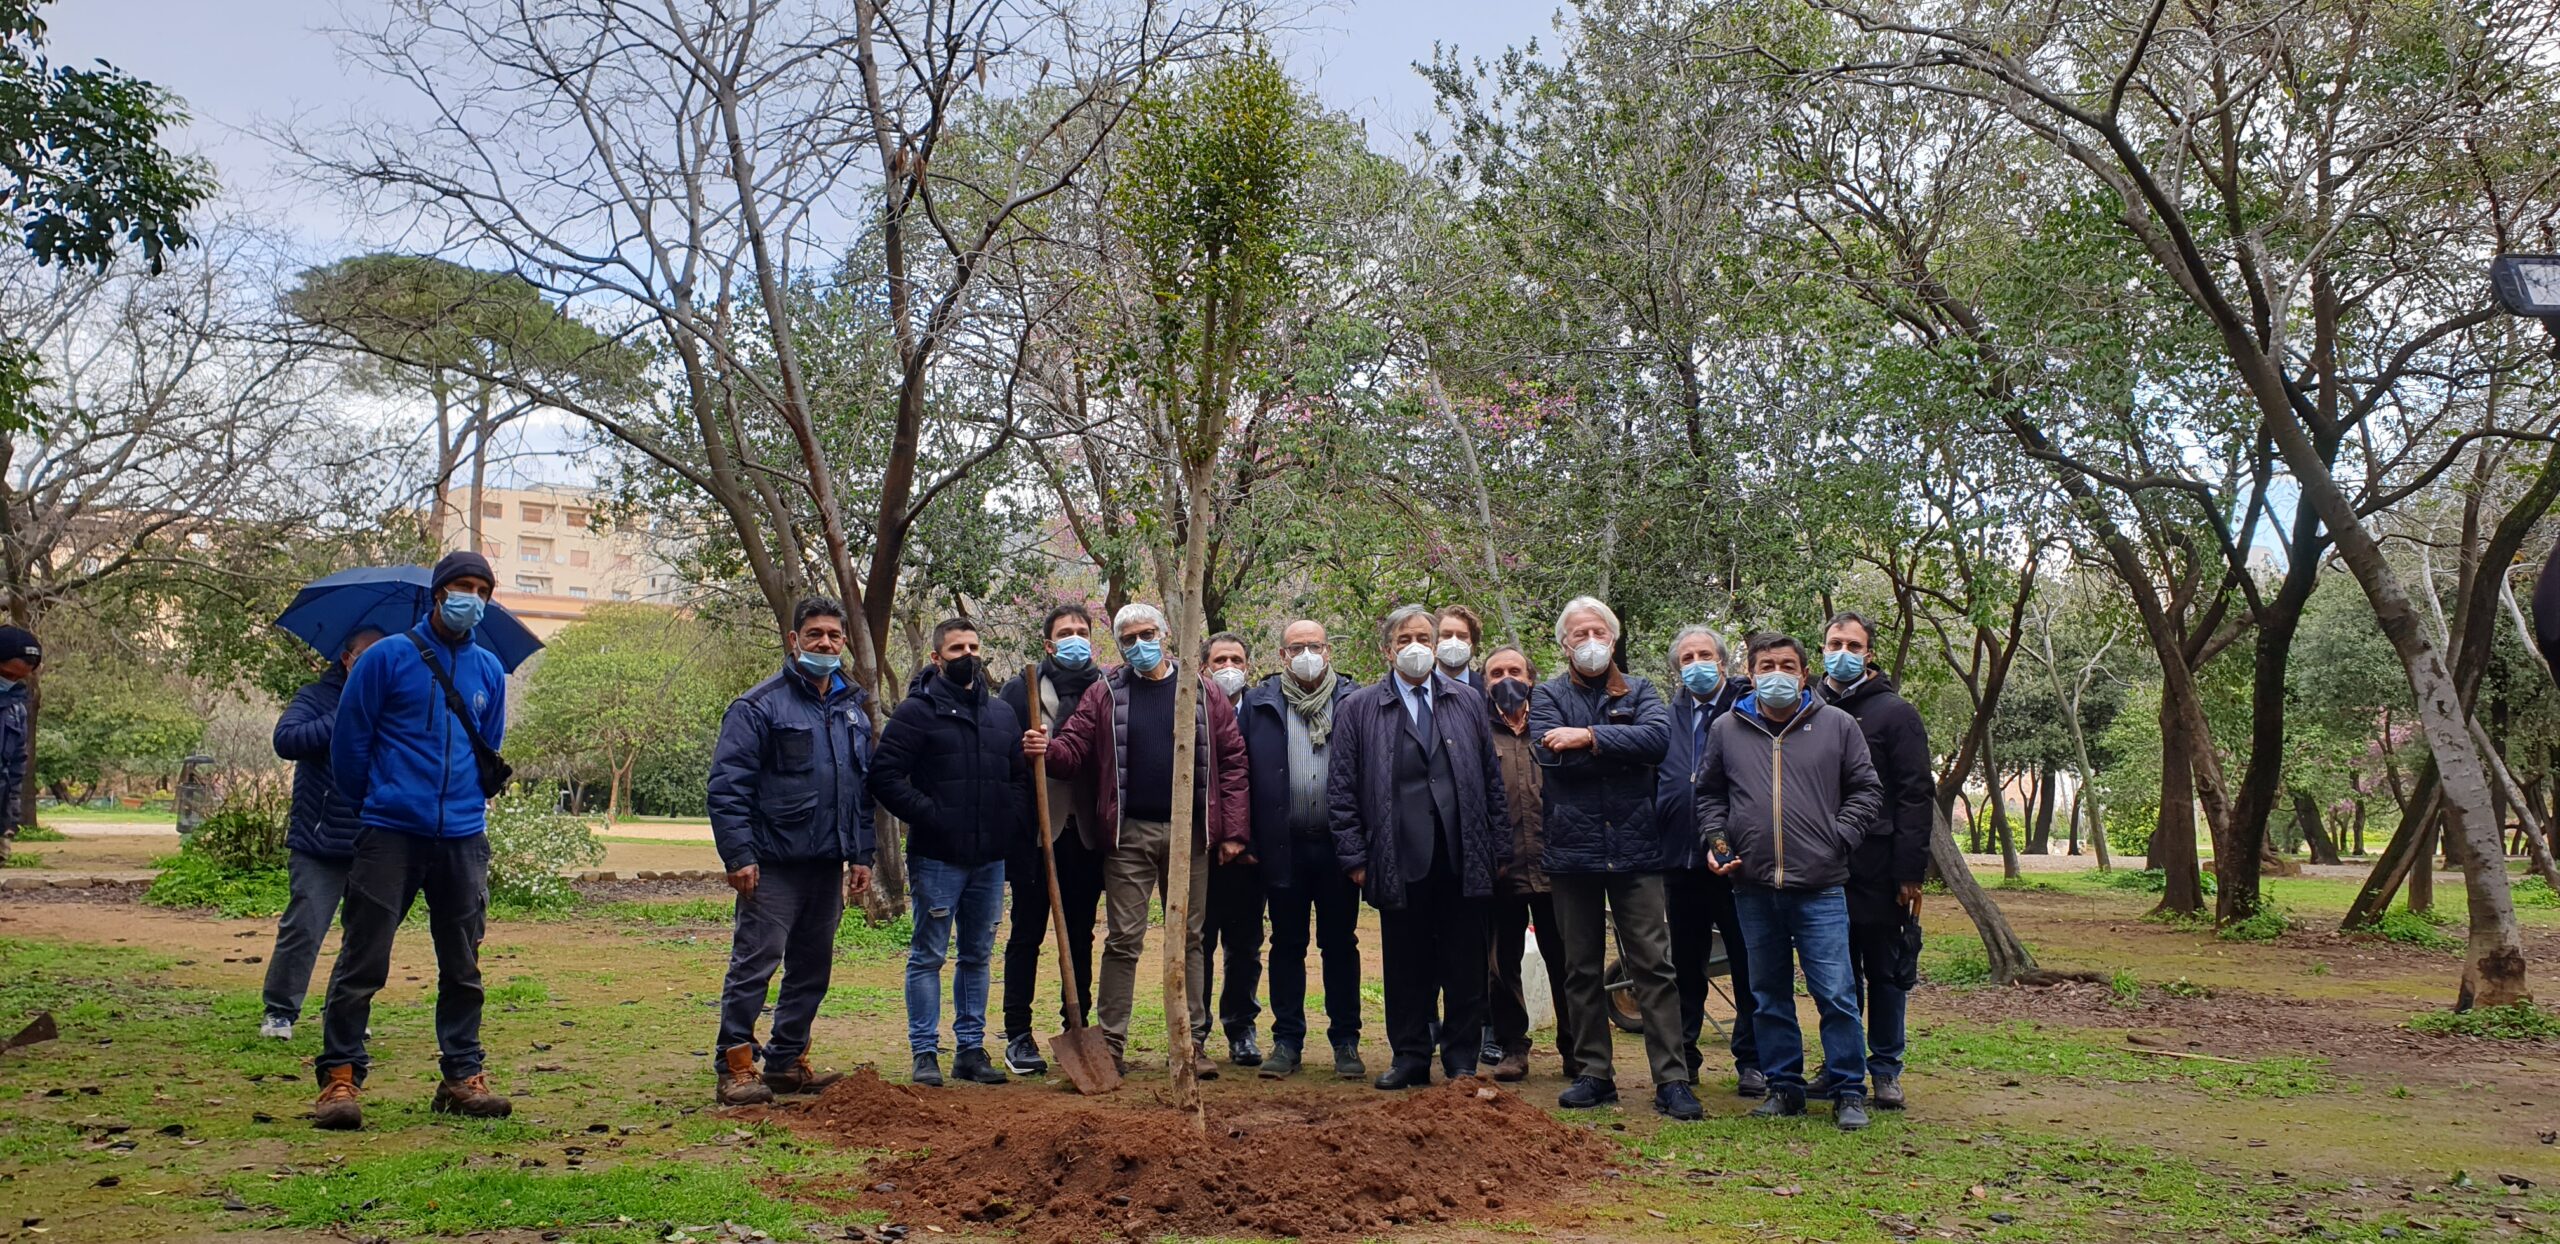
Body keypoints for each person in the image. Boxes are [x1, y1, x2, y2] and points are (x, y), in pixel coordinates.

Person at [312, 551, 513, 1130]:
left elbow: (487, 746)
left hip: (463, 838)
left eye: (480, 589)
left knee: (463, 964)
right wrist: (378, 803)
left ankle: (461, 1076)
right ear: (437, 593)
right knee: (363, 958)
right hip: (391, 834)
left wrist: (464, 808)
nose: (469, 598)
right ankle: (340, 1078)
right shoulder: (385, 659)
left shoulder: (490, 672)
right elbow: (350, 746)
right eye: (460, 586)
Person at [1028, 602, 1249, 1079]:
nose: (1139, 645)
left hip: (1191, 834)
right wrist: (1047, 749)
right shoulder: (1104, 691)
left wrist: (1233, 830)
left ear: (1166, 634)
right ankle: (1109, 1046)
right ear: (1119, 645)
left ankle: (1191, 1043)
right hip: (1128, 835)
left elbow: (1232, 764)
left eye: (1147, 634)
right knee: (1123, 939)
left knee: (1190, 939)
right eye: (1128, 639)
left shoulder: (1204, 692)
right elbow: (1075, 749)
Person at [1697, 633, 1884, 1131]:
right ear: (1750, 673)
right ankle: (1785, 1087)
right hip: (1753, 887)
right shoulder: (1726, 729)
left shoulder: (1838, 725)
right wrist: (1718, 843)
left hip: (1821, 886)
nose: (1775, 673)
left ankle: (1848, 1088)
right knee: (1767, 993)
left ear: (1803, 674)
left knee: (1837, 993)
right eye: (1765, 665)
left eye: (1785, 665)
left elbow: (1867, 790)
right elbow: (1710, 795)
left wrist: (1836, 839)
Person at [703, 596, 877, 1106]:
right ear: (793, 640)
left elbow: (859, 792)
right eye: (815, 634)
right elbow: (728, 787)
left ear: (843, 643)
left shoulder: (852, 710)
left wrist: (862, 856)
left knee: (812, 967)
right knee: (755, 964)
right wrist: (739, 856)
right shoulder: (758, 706)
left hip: (827, 864)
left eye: (834, 636)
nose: (825, 643)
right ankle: (735, 1065)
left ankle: (785, 1060)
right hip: (771, 865)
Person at [1529, 596, 1698, 1120]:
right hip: (1571, 852)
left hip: (1636, 850)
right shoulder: (1546, 694)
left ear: (1614, 637)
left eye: (1598, 632)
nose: (1590, 642)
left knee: (1654, 964)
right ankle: (1594, 1074)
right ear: (1564, 643)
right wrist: (1617, 752)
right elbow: (1548, 758)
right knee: (1579, 967)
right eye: (1578, 634)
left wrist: (1587, 737)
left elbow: (1657, 741)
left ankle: (1672, 1079)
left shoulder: (1643, 690)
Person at [1329, 604, 1509, 1088]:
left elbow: (1492, 780)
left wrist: (1498, 849)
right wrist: (1355, 858)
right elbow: (1342, 789)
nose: (1416, 648)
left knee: (1465, 963)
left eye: (1424, 639)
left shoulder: (1468, 701)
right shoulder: (1360, 708)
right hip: (1396, 855)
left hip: (1462, 852)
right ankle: (1410, 1055)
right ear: (1388, 650)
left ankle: (1461, 1059)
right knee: (1406, 964)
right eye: (1405, 639)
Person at [874, 617, 1028, 1087]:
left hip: (988, 860)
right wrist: (932, 814)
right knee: (929, 955)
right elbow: (884, 775)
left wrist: (1008, 817)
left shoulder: (1002, 714)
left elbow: (1019, 777)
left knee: (978, 955)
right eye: (957, 648)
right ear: (937, 658)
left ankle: (970, 1049)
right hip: (938, 858)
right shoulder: (916, 712)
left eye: (974, 646)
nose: (968, 655)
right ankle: (924, 1052)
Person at [1817, 611, 1934, 1111]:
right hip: (1822, 865)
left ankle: (1885, 1067)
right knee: (1834, 975)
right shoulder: (1808, 707)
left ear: (1869, 654)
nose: (1842, 652)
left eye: (1853, 644)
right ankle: (1837, 1064)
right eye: (1833, 642)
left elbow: (1915, 795)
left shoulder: (1896, 714)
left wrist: (1910, 872)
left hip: (1882, 867)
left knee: (1884, 972)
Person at [1238, 619, 1365, 1080]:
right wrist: (1250, 840)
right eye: (1297, 647)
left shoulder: (1354, 700)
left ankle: (1346, 1042)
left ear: (1329, 651)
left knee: (1340, 945)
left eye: (1314, 646)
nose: (1306, 653)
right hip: (1282, 847)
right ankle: (1287, 1042)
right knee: (1286, 944)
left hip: (1338, 846)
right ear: (1282, 656)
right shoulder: (1259, 703)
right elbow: (1241, 773)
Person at [995, 605, 1106, 1077]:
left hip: (1086, 835)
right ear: (1048, 643)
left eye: (1082, 631)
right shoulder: (1020, 690)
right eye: (1066, 633)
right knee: (1026, 933)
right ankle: (1018, 1033)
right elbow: (1002, 760)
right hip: (1035, 835)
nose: (1075, 638)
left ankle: (1077, 1024)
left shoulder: (1108, 689)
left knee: (1080, 935)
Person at [1654, 624, 1764, 1097]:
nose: (1696, 664)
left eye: (1704, 655)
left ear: (1723, 661)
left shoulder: (1747, 710)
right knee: (1684, 965)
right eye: (1686, 658)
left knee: (1748, 962)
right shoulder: (1667, 716)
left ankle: (1753, 1060)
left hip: (1737, 862)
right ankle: (1685, 1057)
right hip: (1680, 862)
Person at [260, 627, 385, 1041]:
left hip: (373, 837)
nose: (374, 660)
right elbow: (287, 740)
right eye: (367, 654)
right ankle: (280, 1010)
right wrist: (344, 713)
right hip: (318, 839)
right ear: (347, 659)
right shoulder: (315, 697)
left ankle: (346, 1013)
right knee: (304, 927)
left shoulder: (392, 699)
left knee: (363, 937)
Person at [1482, 644, 1575, 1083]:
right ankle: (1513, 1048)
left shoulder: (1554, 722)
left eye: (1514, 670)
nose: (1506, 679)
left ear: (1531, 677)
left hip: (1557, 867)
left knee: (1568, 961)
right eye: (1495, 672)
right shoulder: (1477, 730)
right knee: (1501, 966)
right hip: (1501, 871)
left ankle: (1577, 1050)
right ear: (1484, 682)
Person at [1194, 631, 1267, 1068]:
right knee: (1196, 944)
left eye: (1236, 659)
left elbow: (1268, 786)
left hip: (1248, 856)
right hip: (1201, 851)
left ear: (1249, 666)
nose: (1228, 668)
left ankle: (1241, 1028)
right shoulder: (1189, 710)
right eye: (1219, 660)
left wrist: (1248, 841)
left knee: (1245, 946)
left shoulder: (1263, 714)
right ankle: (1195, 1032)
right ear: (1204, 668)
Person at [0, 626, 37, 847]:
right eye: (6, 674)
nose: (11, 680)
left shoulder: (16, 710)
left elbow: (15, 767)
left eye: (19, 677)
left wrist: (10, 820)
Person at [1434, 605, 1486, 691]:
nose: (1454, 642)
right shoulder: (1419, 684)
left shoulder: (1487, 688)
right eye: (1447, 635)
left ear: (1473, 645)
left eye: (1462, 636)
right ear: (1435, 642)